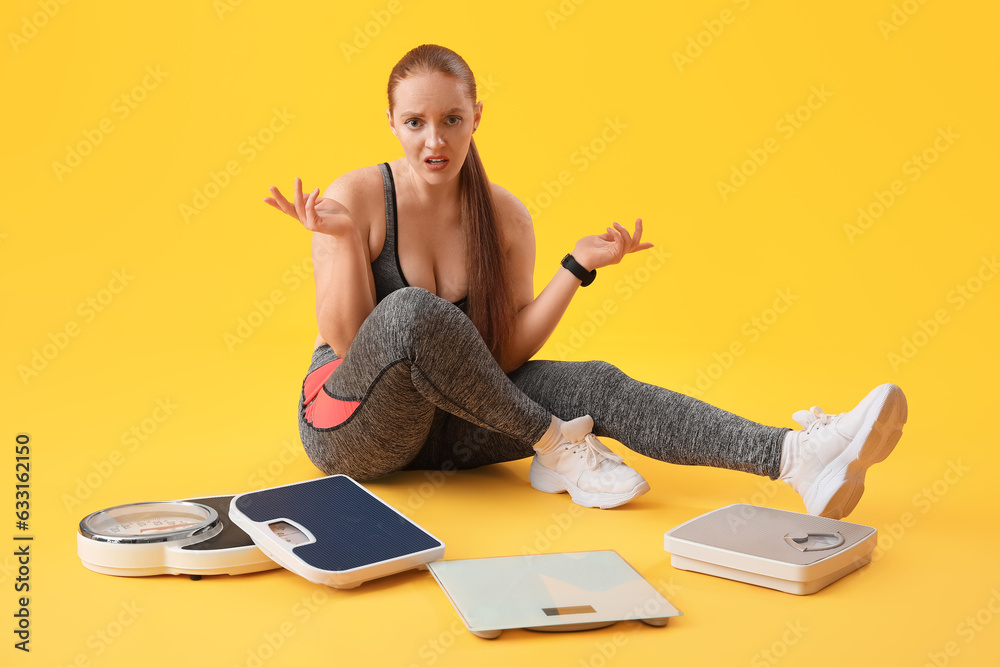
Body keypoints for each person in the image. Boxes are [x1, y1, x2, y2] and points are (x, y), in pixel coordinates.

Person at [263, 44, 907, 519]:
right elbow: (348, 342)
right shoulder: (357, 198)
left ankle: (798, 458)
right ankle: (557, 445)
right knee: (411, 311)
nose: (435, 139)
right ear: (393, 122)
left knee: (596, 383)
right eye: (415, 123)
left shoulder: (506, 217)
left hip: (457, 431)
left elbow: (503, 357)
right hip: (354, 429)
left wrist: (573, 271)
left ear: (477, 117)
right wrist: (342, 240)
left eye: (452, 120)